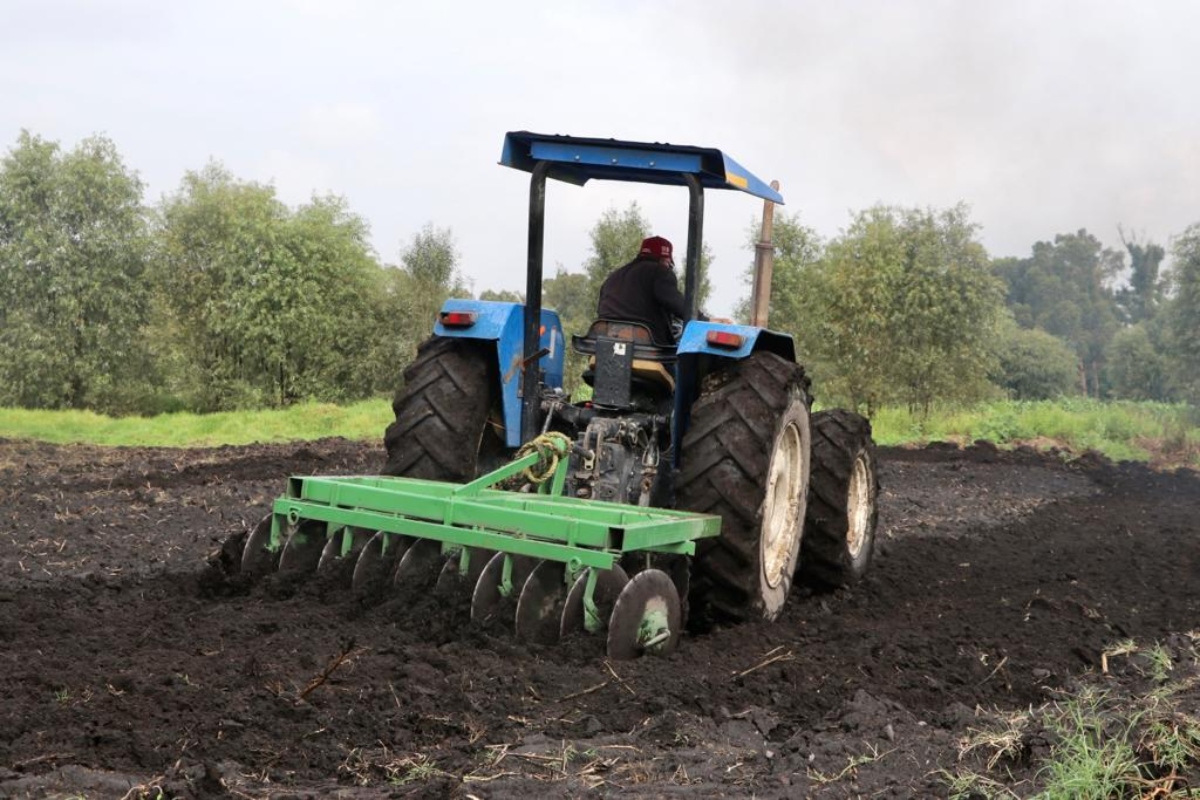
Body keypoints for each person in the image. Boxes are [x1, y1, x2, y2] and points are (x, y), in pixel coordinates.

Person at [597, 236, 728, 345]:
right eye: (669, 264)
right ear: (665, 259)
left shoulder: (612, 277)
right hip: (644, 344)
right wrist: (704, 320)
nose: (669, 268)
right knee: (680, 361)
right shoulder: (659, 271)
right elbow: (677, 304)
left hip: (604, 340)